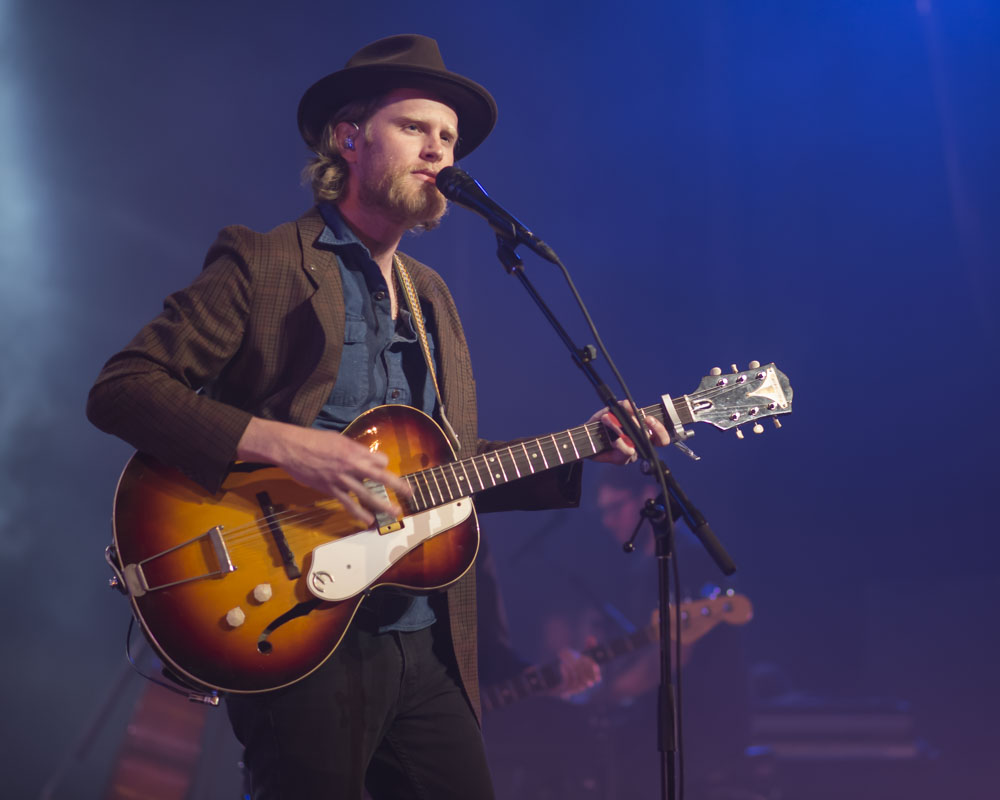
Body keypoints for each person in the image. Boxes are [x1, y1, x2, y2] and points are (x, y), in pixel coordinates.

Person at [86, 34, 669, 800]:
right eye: (416, 128)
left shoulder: (433, 298)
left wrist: (590, 446)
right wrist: (288, 447)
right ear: (348, 137)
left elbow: (446, 468)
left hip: (423, 639)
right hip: (293, 626)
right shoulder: (264, 263)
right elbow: (123, 388)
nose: (439, 151)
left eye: (449, 139)